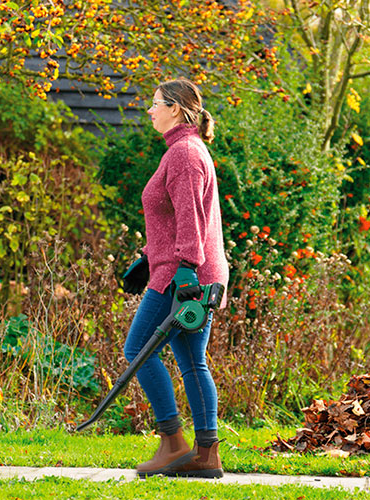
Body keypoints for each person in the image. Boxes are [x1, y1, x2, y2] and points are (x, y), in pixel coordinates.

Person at [121, 78, 229, 478]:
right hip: (188, 270)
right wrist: (148, 258)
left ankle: (173, 443)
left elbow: (190, 220)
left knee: (138, 352)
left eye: (155, 103)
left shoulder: (184, 153)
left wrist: (183, 267)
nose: (149, 110)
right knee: (191, 362)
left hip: (183, 276)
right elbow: (177, 218)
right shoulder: (185, 150)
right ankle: (206, 454)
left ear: (177, 109)